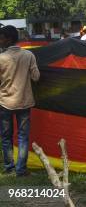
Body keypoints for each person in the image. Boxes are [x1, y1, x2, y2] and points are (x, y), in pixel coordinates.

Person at [0, 25, 40, 177]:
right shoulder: (29, 55)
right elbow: (36, 77)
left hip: (4, 103)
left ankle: (9, 167)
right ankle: (21, 170)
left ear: (8, 39)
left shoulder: (1, 58)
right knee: (23, 136)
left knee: (6, 137)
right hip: (24, 102)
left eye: (1, 37)